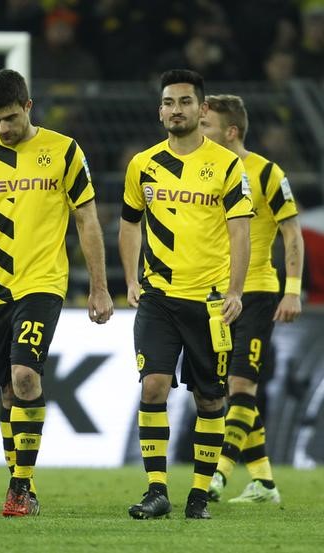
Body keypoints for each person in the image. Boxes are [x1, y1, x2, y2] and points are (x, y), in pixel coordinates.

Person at [0, 68, 114, 517]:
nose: (3, 128)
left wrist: (101, 287)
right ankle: (22, 485)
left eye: (10, 118)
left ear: (28, 107)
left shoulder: (64, 151)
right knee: (8, 393)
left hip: (43, 283)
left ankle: (19, 487)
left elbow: (86, 220)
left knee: (27, 376)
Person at [118, 69, 252, 520]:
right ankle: (157, 489)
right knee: (153, 385)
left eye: (185, 102)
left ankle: (198, 495)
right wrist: (132, 279)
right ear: (160, 111)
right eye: (169, 103)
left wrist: (235, 291)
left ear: (203, 109)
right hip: (158, 297)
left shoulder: (228, 165)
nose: (176, 110)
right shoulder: (143, 164)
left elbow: (240, 232)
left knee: (211, 399)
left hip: (211, 303)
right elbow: (130, 222)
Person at [200, 94, 304, 503]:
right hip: (216, 295)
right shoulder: (206, 170)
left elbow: (292, 233)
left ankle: (218, 474)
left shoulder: (267, 172)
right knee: (231, 387)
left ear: (232, 131)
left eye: (207, 126)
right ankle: (263, 481)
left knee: (242, 381)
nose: (200, 131)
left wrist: (292, 291)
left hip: (258, 290)